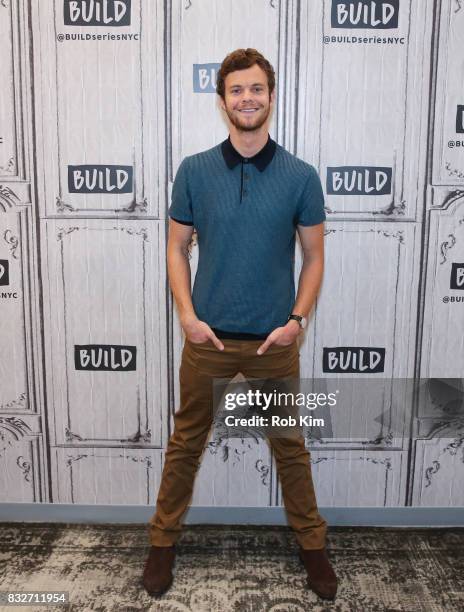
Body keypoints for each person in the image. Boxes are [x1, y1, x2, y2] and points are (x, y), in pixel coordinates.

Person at [143, 48, 337, 601]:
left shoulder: (300, 175)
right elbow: (177, 248)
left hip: (272, 345)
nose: (246, 98)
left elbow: (315, 257)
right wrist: (187, 316)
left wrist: (297, 321)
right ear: (222, 99)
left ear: (271, 97)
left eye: (256, 89)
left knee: (291, 449)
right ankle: (161, 544)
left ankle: (313, 547)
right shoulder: (195, 171)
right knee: (186, 444)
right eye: (236, 90)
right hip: (208, 340)